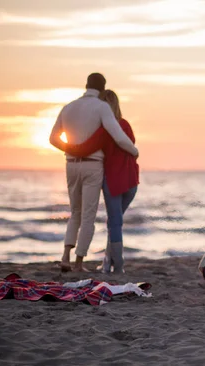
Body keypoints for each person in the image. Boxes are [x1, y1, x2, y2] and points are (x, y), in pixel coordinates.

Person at [49, 73, 139, 272]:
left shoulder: (68, 107)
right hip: (92, 164)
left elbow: (53, 139)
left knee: (75, 212)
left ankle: (65, 257)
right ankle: (79, 263)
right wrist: (135, 151)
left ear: (86, 85)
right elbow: (119, 137)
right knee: (88, 215)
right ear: (102, 88)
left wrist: (72, 149)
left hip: (70, 164)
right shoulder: (102, 107)